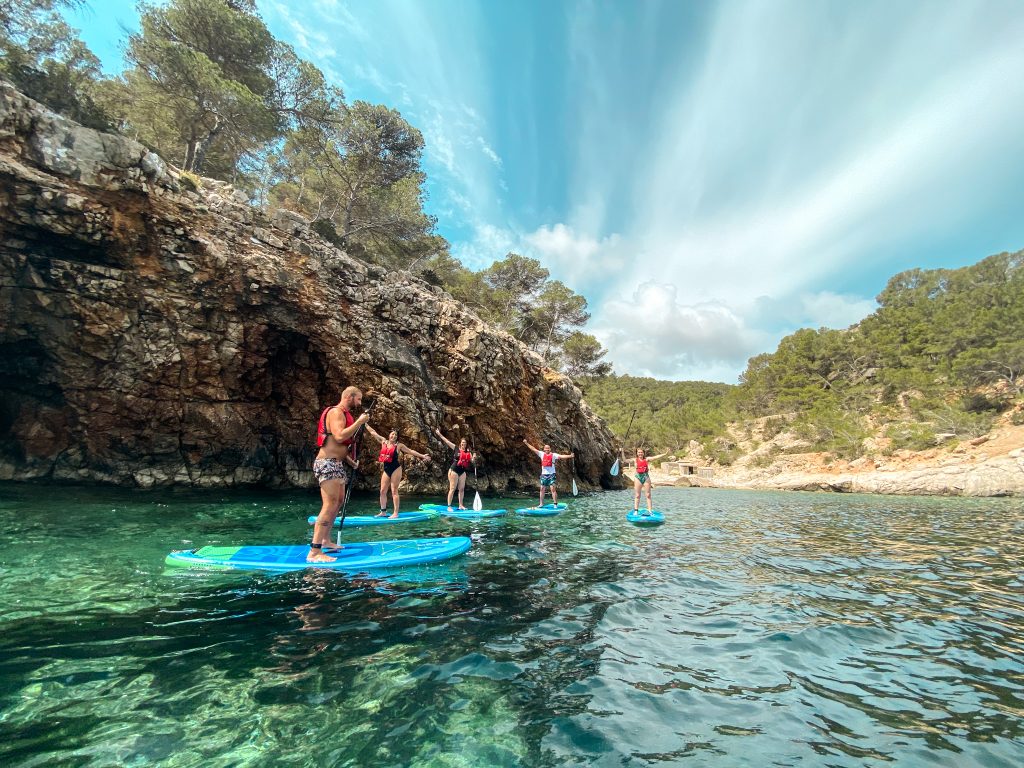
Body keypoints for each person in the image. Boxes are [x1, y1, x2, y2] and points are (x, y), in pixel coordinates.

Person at [308, 386, 371, 563]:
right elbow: (339, 436)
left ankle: (326, 541)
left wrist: (351, 462)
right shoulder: (336, 412)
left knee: (338, 502)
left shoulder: (344, 414)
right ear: (349, 397)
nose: (359, 403)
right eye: (358, 399)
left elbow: (341, 448)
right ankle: (314, 552)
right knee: (329, 505)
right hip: (327, 463)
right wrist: (359, 422)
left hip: (337, 463)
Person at [364, 425, 431, 518]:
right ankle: (383, 512)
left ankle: (395, 513)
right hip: (386, 469)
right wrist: (365, 423)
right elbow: (373, 432)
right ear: (389, 435)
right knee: (382, 491)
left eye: (396, 435)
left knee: (394, 491)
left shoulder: (399, 446)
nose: (394, 436)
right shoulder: (383, 441)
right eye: (392, 434)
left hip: (396, 469)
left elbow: (411, 451)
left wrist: (423, 456)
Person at [522, 439, 574, 508]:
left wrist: (570, 456)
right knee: (542, 489)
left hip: (551, 474)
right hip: (544, 475)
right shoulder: (541, 454)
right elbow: (533, 449)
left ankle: (555, 504)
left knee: (553, 489)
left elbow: (562, 456)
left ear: (550, 449)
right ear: (544, 449)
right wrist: (526, 443)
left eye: (548, 448)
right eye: (546, 448)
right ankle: (541, 504)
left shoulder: (554, 455)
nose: (547, 449)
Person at [434, 427, 474, 510]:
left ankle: (460, 505)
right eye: (462, 443)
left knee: (462, 489)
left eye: (465, 443)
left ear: (466, 444)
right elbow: (446, 441)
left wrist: (474, 457)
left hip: (462, 472)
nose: (463, 444)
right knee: (452, 489)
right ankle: (449, 506)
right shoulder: (456, 448)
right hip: (454, 471)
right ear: (460, 443)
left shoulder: (468, 453)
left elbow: (472, 461)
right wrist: (439, 434)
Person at [632, 447, 669, 514]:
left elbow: (656, 457)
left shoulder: (647, 459)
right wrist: (622, 451)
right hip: (638, 477)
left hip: (646, 477)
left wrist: (664, 454)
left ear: (643, 453)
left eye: (641, 452)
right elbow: (624, 460)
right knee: (637, 495)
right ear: (637, 453)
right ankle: (636, 510)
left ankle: (650, 510)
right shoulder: (635, 460)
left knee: (648, 495)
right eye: (639, 452)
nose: (640, 453)